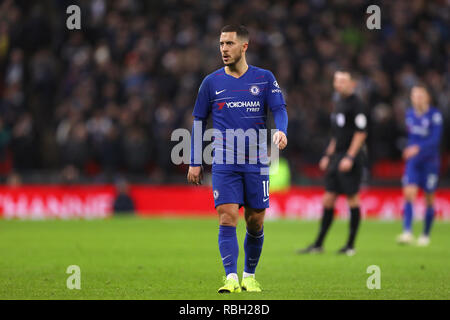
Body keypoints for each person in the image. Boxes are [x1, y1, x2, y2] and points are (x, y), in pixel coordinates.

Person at [187, 25, 288, 293]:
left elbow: (279, 109)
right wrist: (195, 160)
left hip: (256, 162)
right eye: (221, 43)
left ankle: (249, 276)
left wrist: (282, 132)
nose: (223, 49)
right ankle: (231, 277)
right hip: (224, 161)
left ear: (244, 46)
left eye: (229, 43)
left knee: (255, 222)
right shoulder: (211, 82)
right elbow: (198, 120)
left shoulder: (264, 78)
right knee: (227, 217)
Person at [298, 71, 368, 256]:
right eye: (337, 81)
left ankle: (350, 245)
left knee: (352, 198)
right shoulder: (338, 104)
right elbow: (336, 135)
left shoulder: (357, 104)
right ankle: (318, 244)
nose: (339, 84)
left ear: (352, 84)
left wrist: (350, 157)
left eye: (343, 81)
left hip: (350, 157)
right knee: (328, 198)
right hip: (337, 156)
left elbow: (361, 133)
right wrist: (328, 155)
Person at [397, 85, 443, 246]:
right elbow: (412, 137)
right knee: (408, 193)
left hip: (430, 162)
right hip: (414, 162)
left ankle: (425, 234)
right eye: (414, 95)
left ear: (427, 97)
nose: (417, 98)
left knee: (429, 198)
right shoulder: (409, 114)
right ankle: (407, 232)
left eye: (420, 95)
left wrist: (417, 148)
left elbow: (435, 140)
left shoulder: (435, 116)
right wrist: (409, 149)